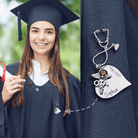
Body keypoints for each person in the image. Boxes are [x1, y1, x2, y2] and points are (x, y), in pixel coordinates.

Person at [0, 0, 80, 138]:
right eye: (35, 30)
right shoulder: (8, 76)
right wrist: (2, 99)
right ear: (28, 34)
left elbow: (76, 131)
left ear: (56, 36)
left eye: (49, 31)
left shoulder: (69, 84)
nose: (41, 37)